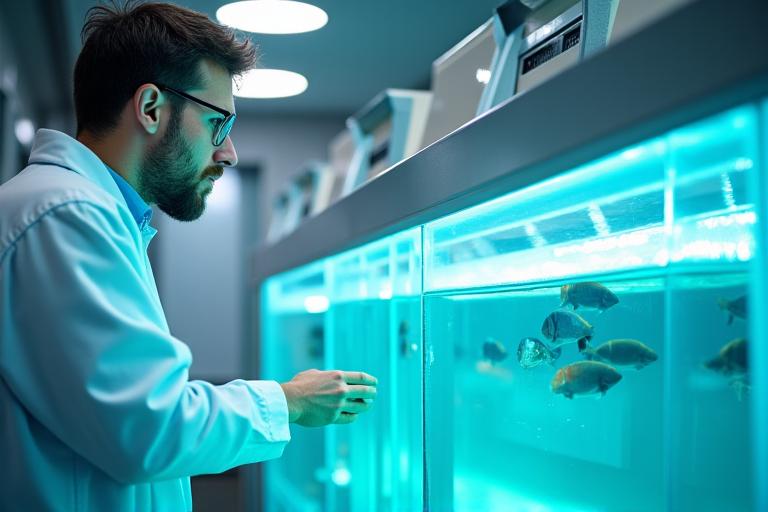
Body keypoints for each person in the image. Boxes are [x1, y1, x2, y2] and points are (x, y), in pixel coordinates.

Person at [0, 2, 377, 510]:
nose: (229, 152)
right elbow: (149, 429)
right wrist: (290, 400)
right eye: (218, 123)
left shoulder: (83, 214)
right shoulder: (65, 216)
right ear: (151, 107)